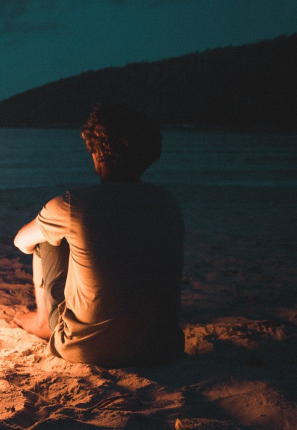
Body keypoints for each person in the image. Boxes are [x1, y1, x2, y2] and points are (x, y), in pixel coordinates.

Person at [13, 104, 185, 367]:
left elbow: (21, 243)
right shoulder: (167, 202)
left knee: (46, 239)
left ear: (96, 153)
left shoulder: (74, 204)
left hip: (85, 349)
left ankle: (42, 321)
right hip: (162, 347)